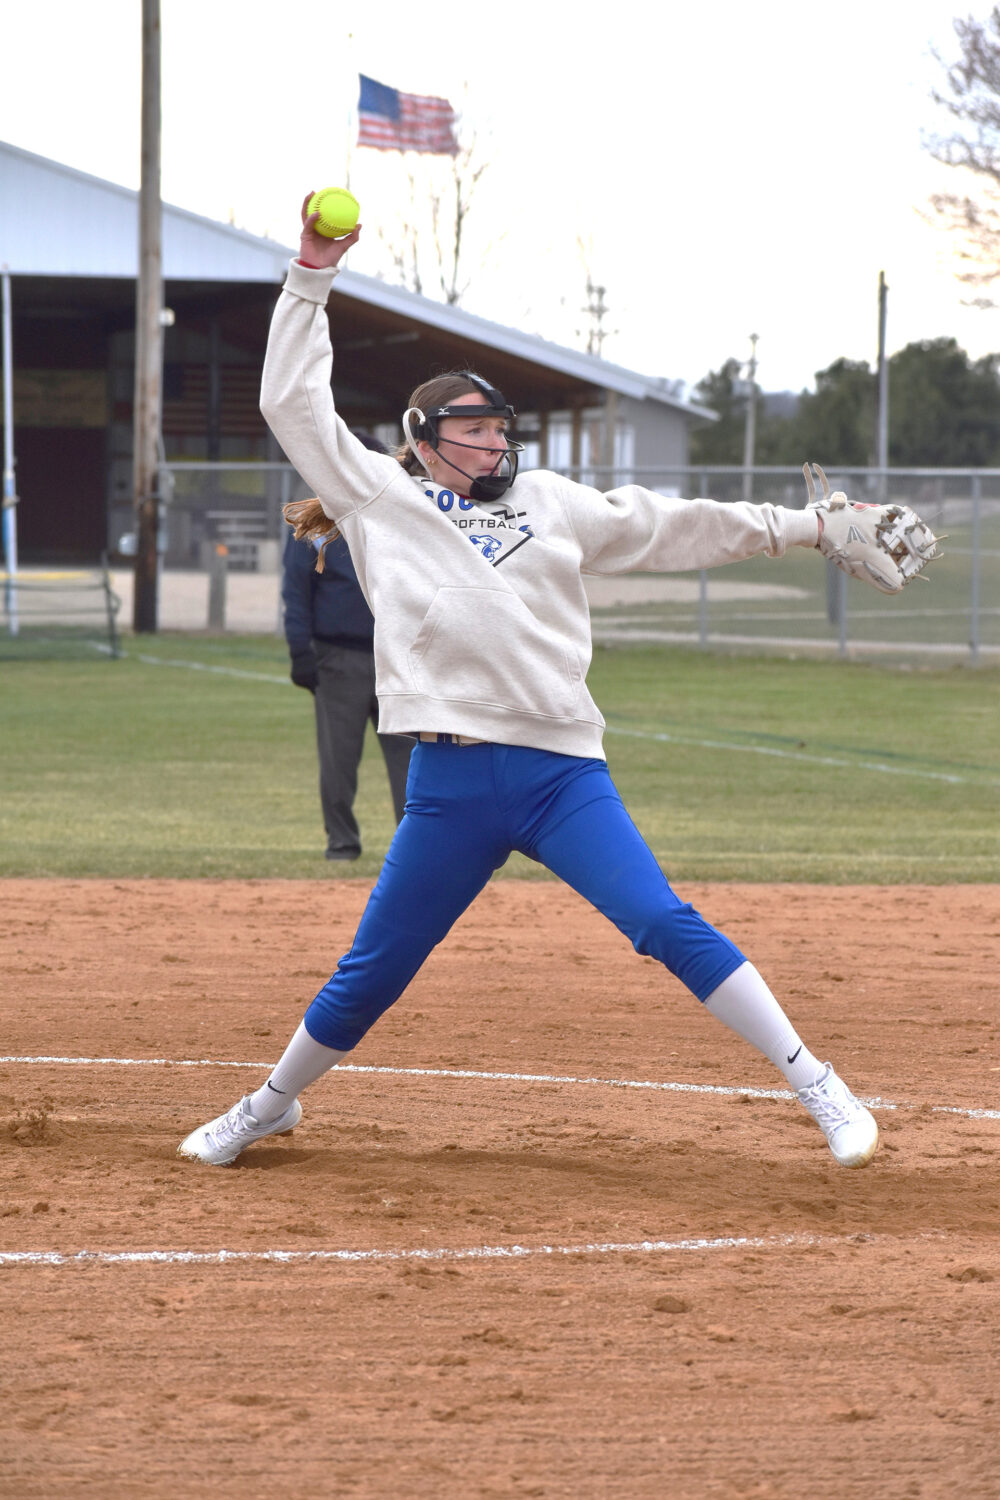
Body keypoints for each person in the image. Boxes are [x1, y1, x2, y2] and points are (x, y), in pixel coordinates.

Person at [179, 194, 880, 1172]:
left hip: (558, 774)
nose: (495, 443)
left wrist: (809, 527)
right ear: (422, 437)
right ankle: (268, 1104)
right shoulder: (377, 496)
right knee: (373, 970)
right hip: (450, 782)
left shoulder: (552, 503)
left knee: (658, 920)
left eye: (499, 429)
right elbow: (291, 405)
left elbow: (679, 524)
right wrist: (310, 274)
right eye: (472, 430)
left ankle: (820, 1085)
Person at [281, 430, 411, 861]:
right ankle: (342, 843)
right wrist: (301, 651)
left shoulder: (405, 521)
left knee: (412, 764)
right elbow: (297, 592)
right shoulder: (316, 524)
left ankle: (413, 847)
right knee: (338, 760)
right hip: (340, 658)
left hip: (398, 659)